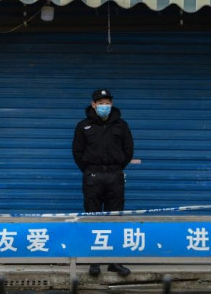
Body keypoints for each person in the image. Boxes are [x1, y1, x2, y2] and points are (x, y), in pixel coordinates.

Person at [72, 88, 134, 278]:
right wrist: (90, 170)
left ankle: (114, 261)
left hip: (114, 176)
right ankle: (94, 261)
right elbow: (77, 152)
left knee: (114, 219)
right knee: (93, 218)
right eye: (100, 103)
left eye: (107, 103)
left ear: (111, 104)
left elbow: (128, 150)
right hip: (92, 177)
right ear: (93, 104)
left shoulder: (121, 126)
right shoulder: (83, 126)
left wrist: (115, 168)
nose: (104, 106)